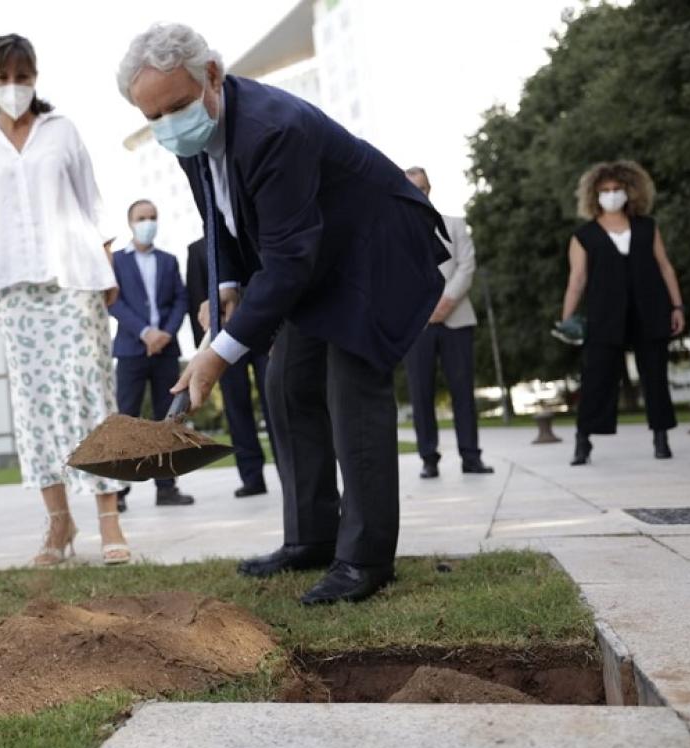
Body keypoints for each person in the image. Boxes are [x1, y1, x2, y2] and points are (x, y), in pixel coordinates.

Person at [117, 24, 447, 604]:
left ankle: (364, 560)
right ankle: (311, 538)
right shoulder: (189, 139)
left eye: (176, 107)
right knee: (287, 384)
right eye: (154, 117)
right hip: (314, 259)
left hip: (370, 254)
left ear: (212, 77)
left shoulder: (274, 129)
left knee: (351, 394)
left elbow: (292, 259)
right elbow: (218, 212)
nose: (167, 124)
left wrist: (215, 356)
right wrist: (225, 281)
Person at [0, 34, 130, 567]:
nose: (14, 87)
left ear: (36, 77)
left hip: (73, 280)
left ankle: (109, 521)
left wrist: (109, 265)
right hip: (16, 289)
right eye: (4, 78)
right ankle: (58, 524)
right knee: (35, 406)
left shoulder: (61, 132)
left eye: (23, 77)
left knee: (90, 397)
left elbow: (94, 203)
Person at [560, 160, 684, 465]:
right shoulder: (584, 235)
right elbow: (577, 280)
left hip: (651, 309)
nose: (612, 195)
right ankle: (583, 441)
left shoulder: (647, 226)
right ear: (594, 195)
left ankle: (661, 437)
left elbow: (665, 267)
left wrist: (677, 306)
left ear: (630, 191)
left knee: (655, 375)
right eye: (605, 191)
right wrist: (567, 319)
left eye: (617, 189)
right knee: (597, 376)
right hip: (604, 315)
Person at [402, 168, 494, 479]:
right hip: (417, 325)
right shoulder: (397, 231)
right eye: (412, 188)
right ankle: (429, 458)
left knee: (463, 391)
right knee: (420, 392)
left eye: (423, 187)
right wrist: (425, 309)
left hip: (457, 318)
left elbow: (467, 265)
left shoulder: (454, 224)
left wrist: (446, 301)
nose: (419, 193)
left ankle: (471, 456)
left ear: (430, 188)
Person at [109, 199, 195, 508]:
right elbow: (113, 302)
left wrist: (165, 334)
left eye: (153, 217)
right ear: (130, 222)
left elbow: (181, 300)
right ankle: (118, 491)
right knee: (126, 419)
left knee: (167, 419)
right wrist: (145, 333)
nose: (148, 222)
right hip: (132, 349)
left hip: (166, 351)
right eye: (142, 217)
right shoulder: (117, 260)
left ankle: (167, 488)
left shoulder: (169, 261)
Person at [187, 236, 274, 497]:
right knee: (236, 409)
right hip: (223, 340)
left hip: (264, 334)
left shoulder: (255, 235)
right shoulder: (199, 249)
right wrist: (204, 350)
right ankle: (252, 477)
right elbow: (195, 295)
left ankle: (288, 469)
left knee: (274, 400)